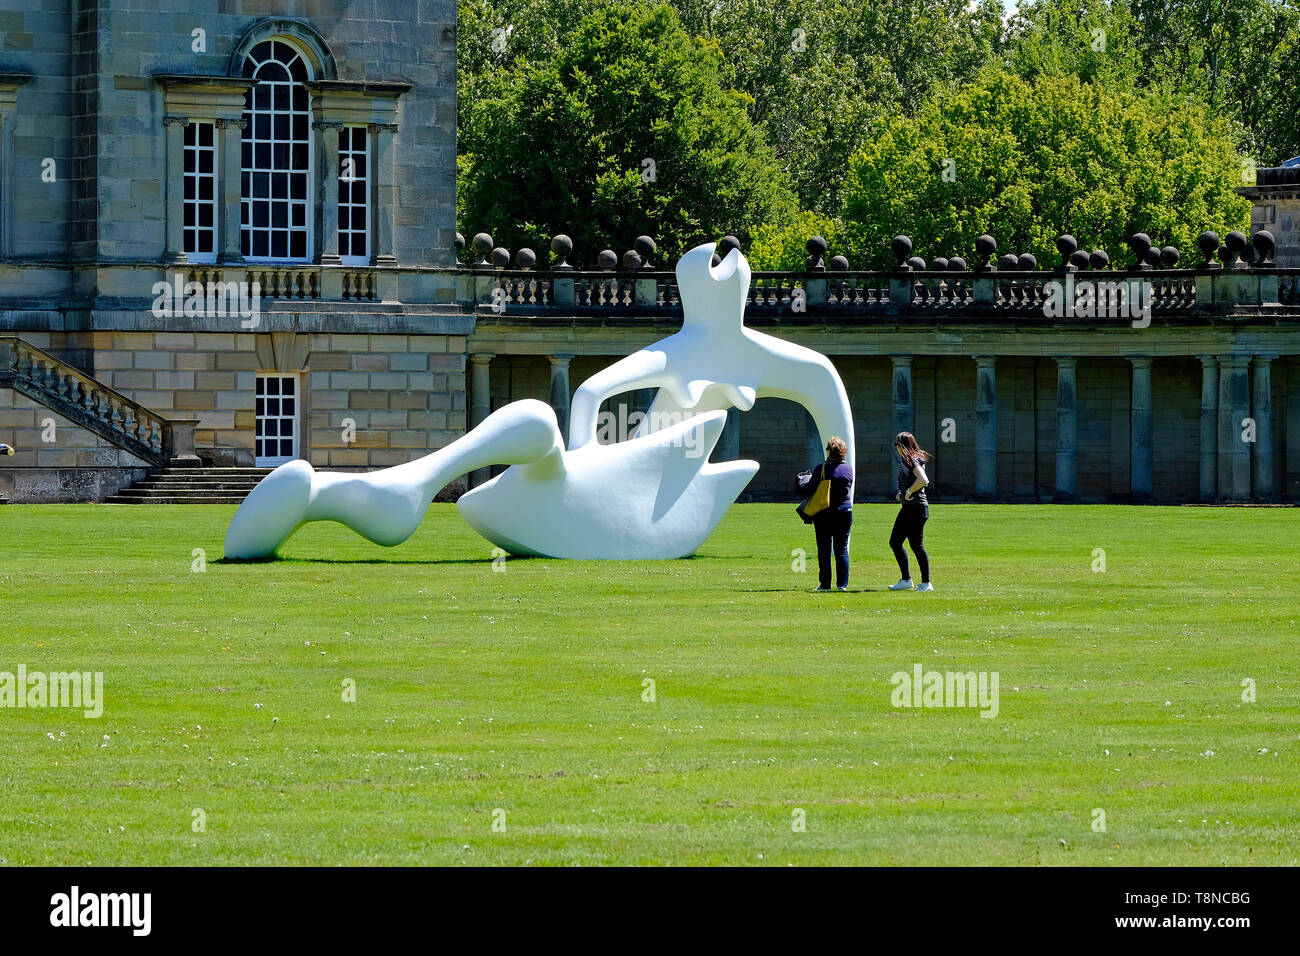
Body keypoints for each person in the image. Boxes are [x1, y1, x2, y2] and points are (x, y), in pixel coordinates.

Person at [798, 436, 853, 592]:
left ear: (829, 451)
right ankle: (842, 585)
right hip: (845, 511)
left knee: (824, 549)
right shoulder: (848, 469)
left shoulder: (821, 468)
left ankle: (825, 584)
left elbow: (808, 490)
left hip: (825, 513)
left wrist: (801, 482)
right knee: (842, 549)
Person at [888, 432, 933, 592]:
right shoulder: (914, 458)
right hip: (916, 507)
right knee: (914, 545)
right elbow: (917, 482)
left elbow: (923, 479)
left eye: (897, 445)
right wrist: (903, 493)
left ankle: (917, 581)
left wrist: (907, 492)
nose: (896, 448)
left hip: (914, 508)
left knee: (897, 542)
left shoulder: (911, 460)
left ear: (902, 446)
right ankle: (914, 581)